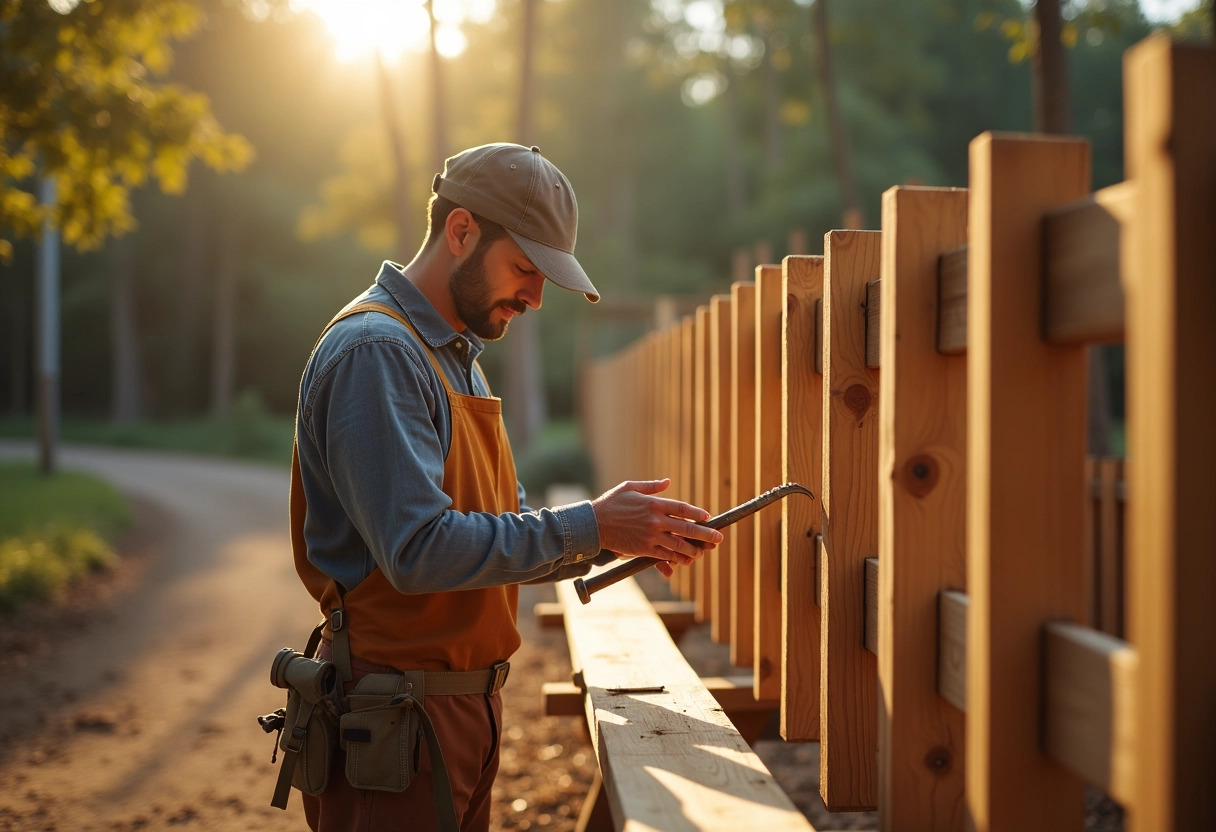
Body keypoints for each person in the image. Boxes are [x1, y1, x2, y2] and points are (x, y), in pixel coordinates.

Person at [289, 143, 721, 832]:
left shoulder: (454, 355)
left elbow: (504, 521)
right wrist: (593, 525)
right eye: (525, 268)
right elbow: (418, 549)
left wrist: (617, 537)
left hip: (455, 711)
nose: (536, 296)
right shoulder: (380, 353)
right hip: (396, 716)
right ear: (460, 232)